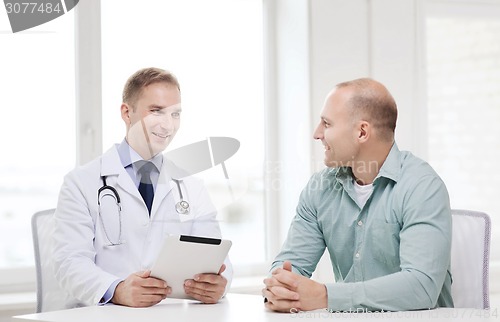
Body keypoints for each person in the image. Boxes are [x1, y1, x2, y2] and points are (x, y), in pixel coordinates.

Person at [263, 78, 453, 312]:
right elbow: (288, 270)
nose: (317, 133)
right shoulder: (320, 188)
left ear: (362, 132)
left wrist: (326, 296)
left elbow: (421, 288)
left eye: (327, 123)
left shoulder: (422, 186)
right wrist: (279, 288)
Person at [53, 67, 232, 309]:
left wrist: (218, 285)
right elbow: (70, 263)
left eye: (175, 114)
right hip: (105, 314)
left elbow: (218, 257)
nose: (168, 125)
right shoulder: (81, 182)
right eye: (156, 111)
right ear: (127, 113)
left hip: (170, 314)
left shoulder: (191, 186)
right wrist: (116, 289)